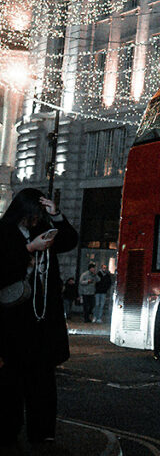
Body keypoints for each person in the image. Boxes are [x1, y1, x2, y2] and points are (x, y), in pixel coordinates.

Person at [0, 188, 79, 447]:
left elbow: (69, 241)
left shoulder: (43, 230)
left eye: (39, 216)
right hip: (14, 319)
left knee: (43, 378)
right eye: (32, 215)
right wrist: (29, 249)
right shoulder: (4, 232)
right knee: (12, 379)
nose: (35, 220)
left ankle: (42, 432)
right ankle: (9, 430)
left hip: (42, 318)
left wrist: (56, 215)